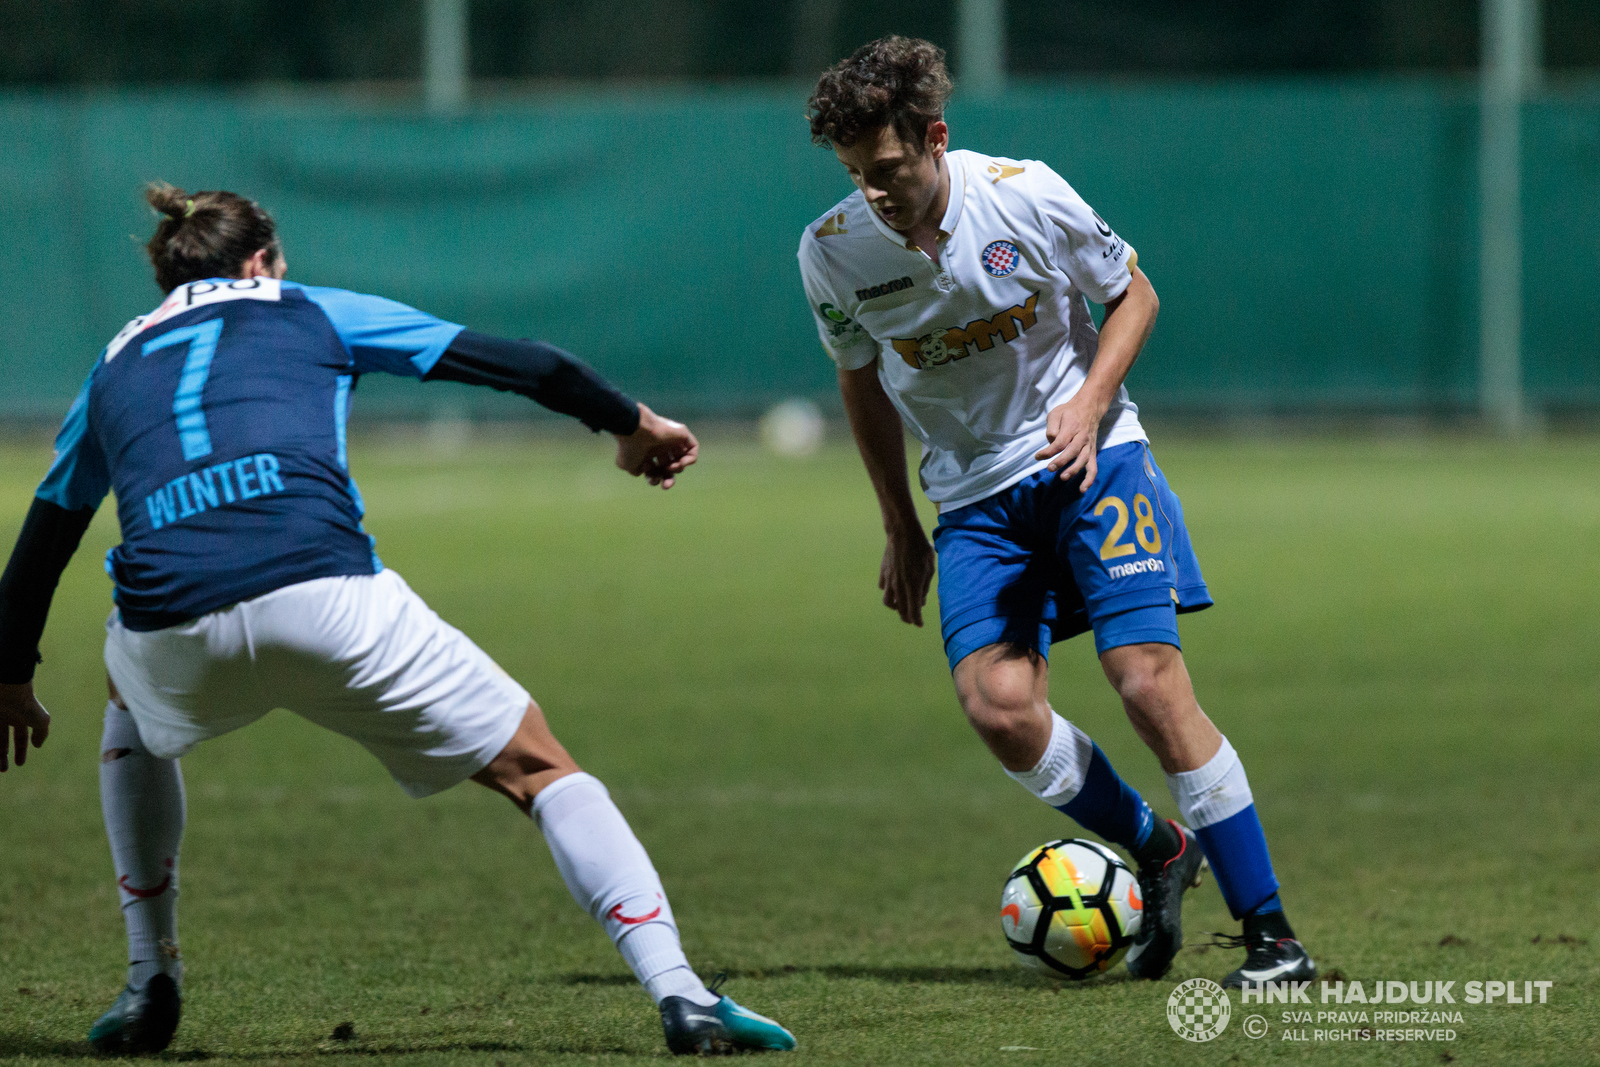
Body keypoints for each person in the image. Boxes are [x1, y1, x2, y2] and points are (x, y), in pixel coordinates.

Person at [0, 183, 795, 1056]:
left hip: (172, 628)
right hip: (327, 598)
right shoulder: (306, 308)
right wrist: (631, 423)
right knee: (539, 767)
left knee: (128, 688)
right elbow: (523, 363)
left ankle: (150, 976)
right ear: (259, 261)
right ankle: (681, 994)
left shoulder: (112, 364)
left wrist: (11, 673)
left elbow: (46, 535)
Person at [797, 37, 1315, 987]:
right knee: (998, 709)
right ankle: (1158, 848)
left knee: (1148, 683)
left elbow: (1134, 294)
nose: (872, 191)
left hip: (1090, 459)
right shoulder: (832, 252)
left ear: (935, 138)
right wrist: (898, 520)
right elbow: (859, 379)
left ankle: (1272, 933)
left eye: (888, 169)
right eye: (855, 174)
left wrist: (1086, 402)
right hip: (973, 498)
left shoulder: (1023, 192)